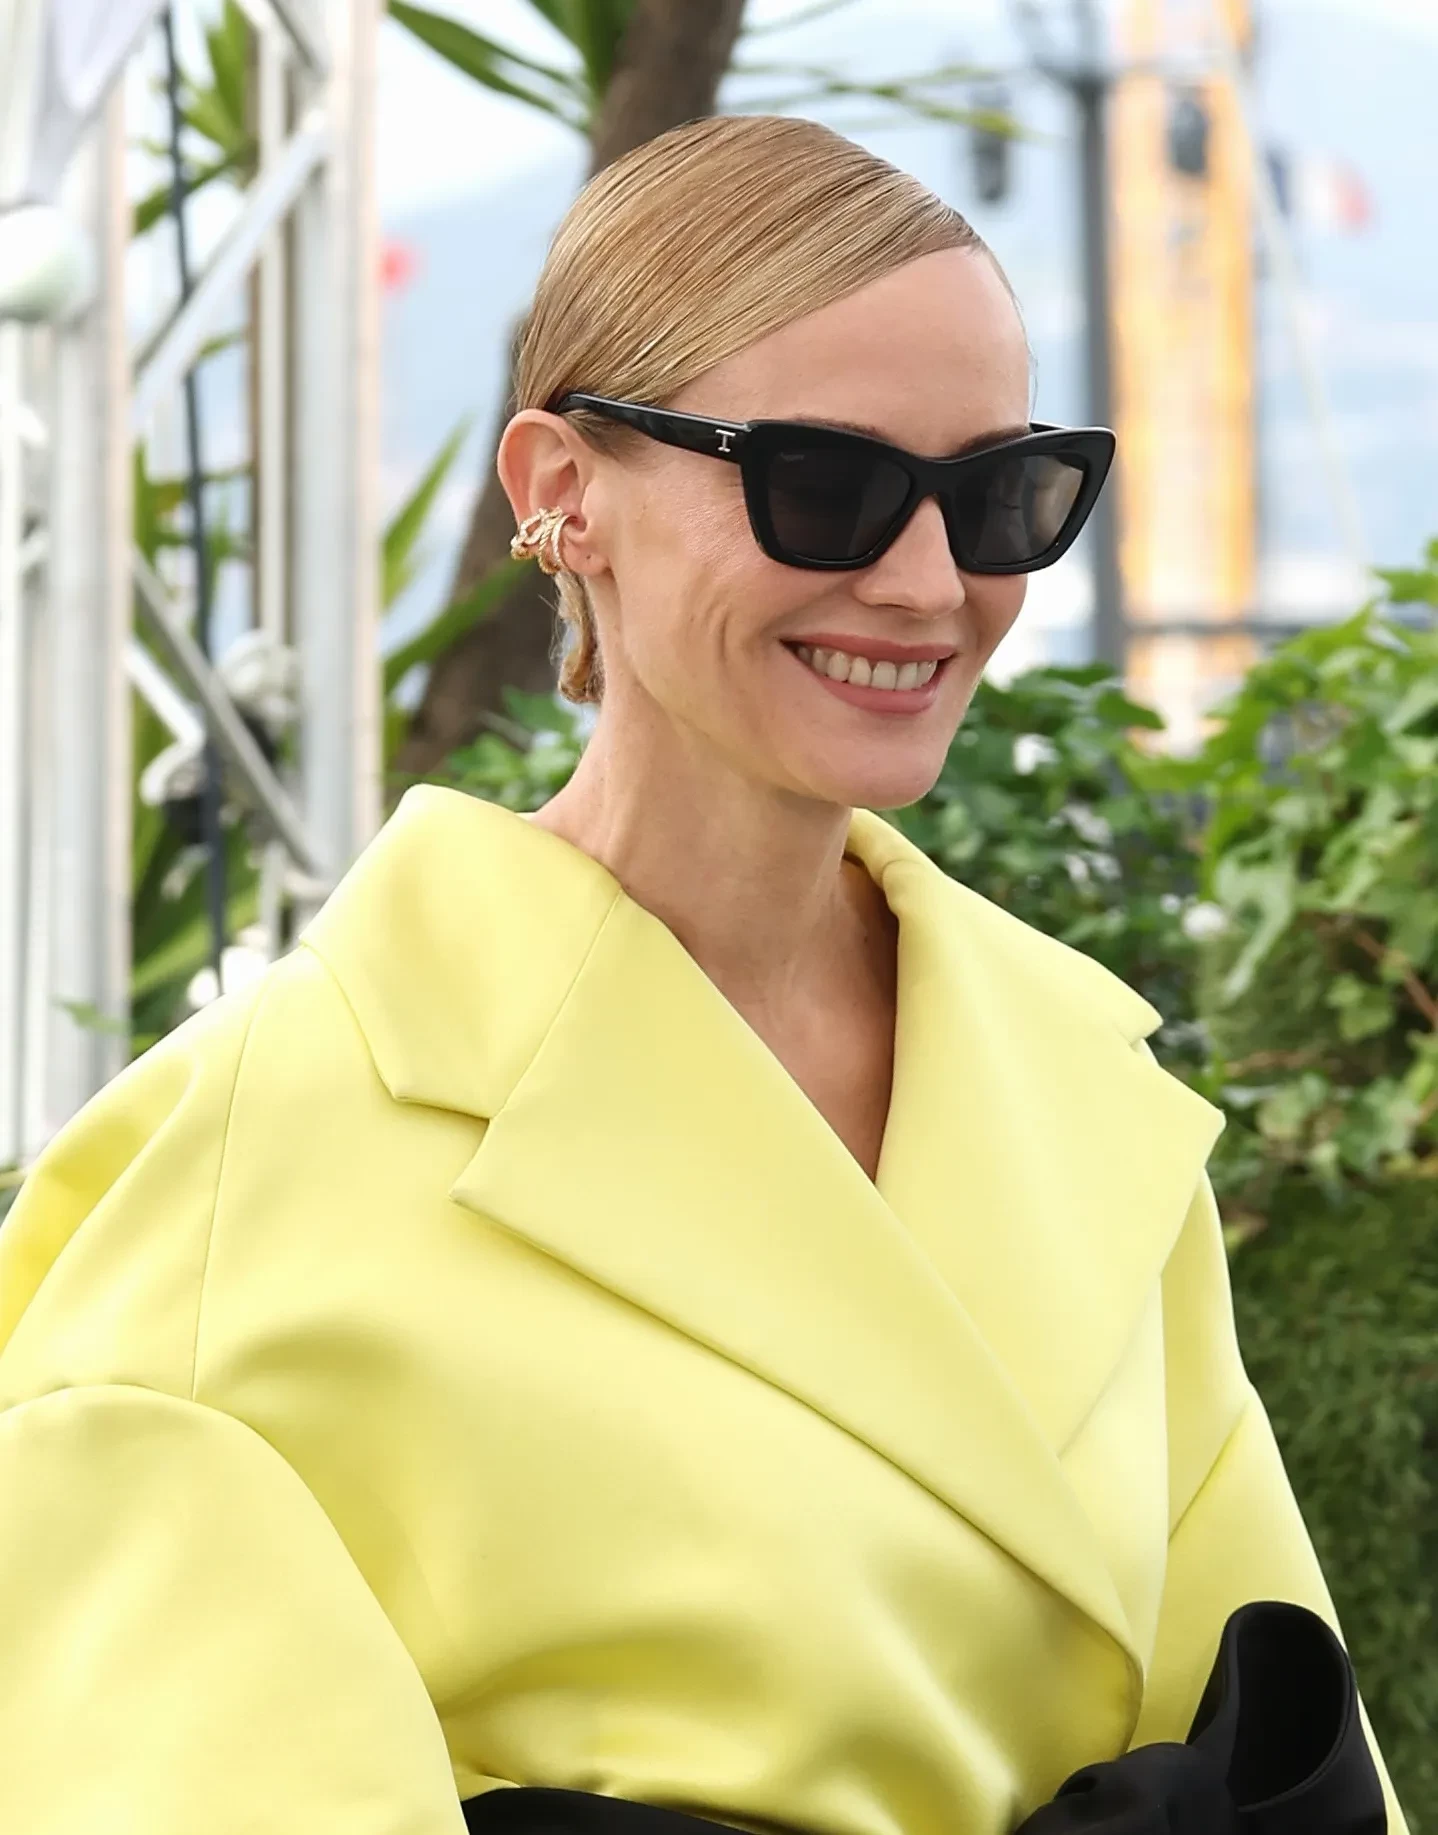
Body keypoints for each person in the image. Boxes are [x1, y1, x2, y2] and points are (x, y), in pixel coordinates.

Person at [0, 114, 1405, 1835]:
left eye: (999, 497)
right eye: (822, 484)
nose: (926, 583)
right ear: (559, 491)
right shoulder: (235, 1180)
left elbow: (1281, 1746)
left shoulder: (1085, 1102)